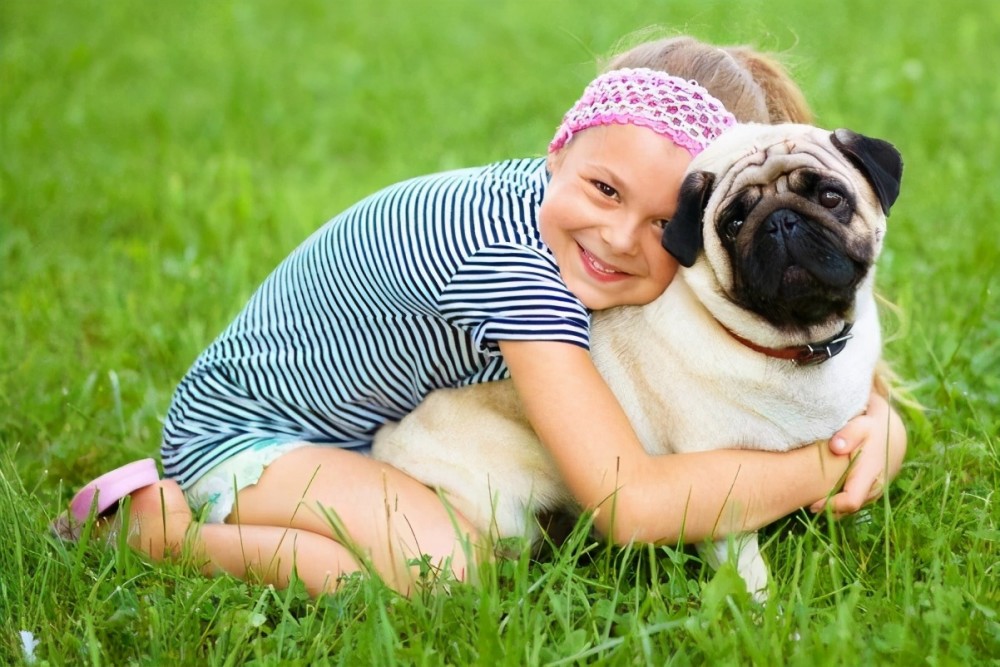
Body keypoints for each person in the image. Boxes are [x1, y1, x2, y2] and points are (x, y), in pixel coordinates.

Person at [57, 34, 907, 598]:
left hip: (369, 436)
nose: (619, 236)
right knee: (442, 570)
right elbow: (630, 506)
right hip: (251, 439)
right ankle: (157, 527)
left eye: (661, 224)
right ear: (560, 151)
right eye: (605, 190)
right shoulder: (517, 270)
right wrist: (821, 467)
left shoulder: (573, 221)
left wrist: (876, 417)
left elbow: (785, 343)